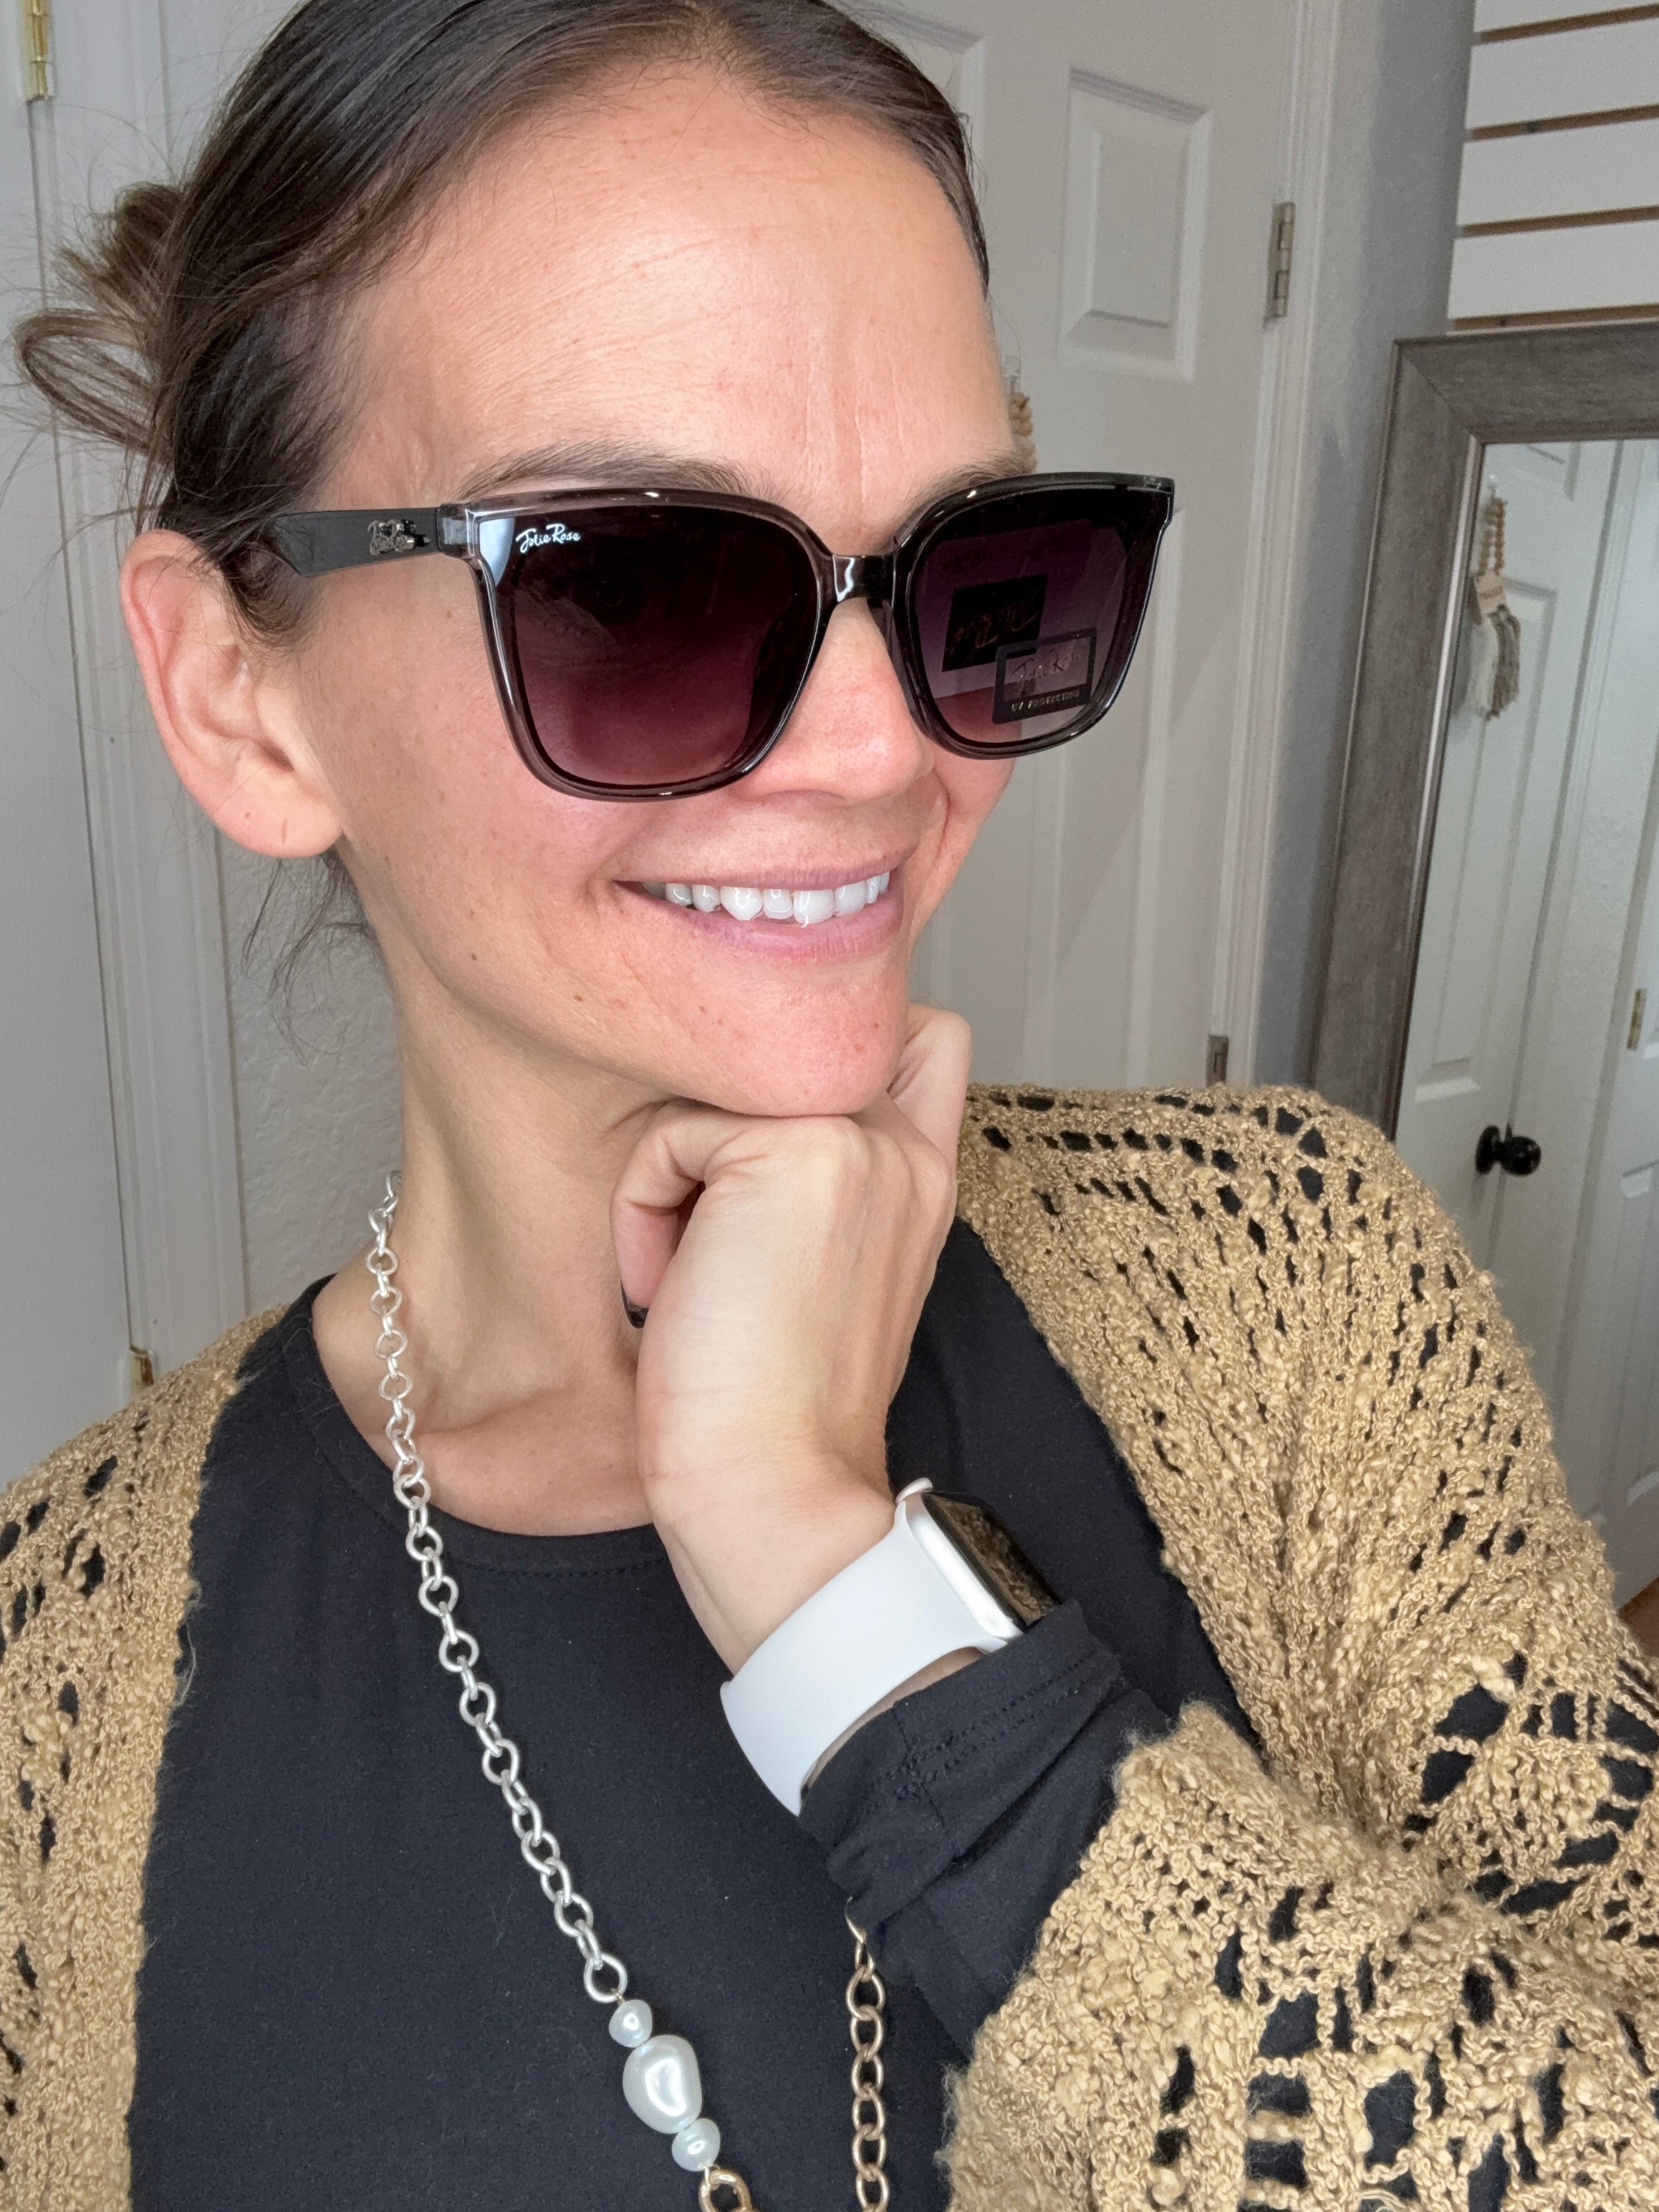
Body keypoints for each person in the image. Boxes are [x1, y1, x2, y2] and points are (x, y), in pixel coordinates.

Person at [7, 2, 1659, 2206]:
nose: (886, 749)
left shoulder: (1294, 1282)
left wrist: (837, 1593)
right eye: (632, 583)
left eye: (975, 570)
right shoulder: (41, 1682)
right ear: (242, 700)